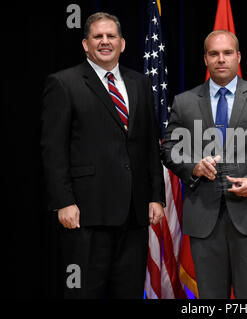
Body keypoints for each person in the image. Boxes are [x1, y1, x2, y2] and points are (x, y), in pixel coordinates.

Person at [41, 12, 165, 298]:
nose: (105, 42)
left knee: (130, 292)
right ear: (86, 44)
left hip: (134, 216)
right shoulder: (63, 83)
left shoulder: (140, 83)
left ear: (122, 43)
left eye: (111, 36)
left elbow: (148, 144)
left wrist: (156, 196)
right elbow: (53, 150)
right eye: (98, 36)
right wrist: (64, 201)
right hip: (86, 215)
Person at [161, 30, 247, 298]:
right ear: (205, 59)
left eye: (227, 53)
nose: (221, 59)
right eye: (214, 54)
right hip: (203, 219)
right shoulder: (184, 102)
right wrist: (194, 167)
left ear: (238, 56)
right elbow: (169, 149)